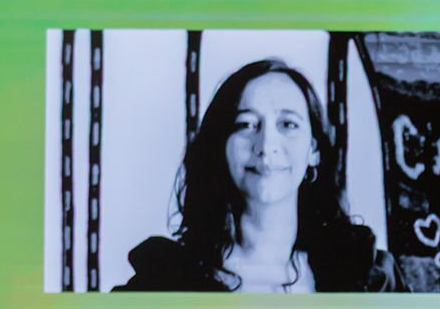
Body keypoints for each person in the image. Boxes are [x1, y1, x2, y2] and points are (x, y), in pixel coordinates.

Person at [117, 58, 394, 292]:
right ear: (221, 147)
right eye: (246, 124)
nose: (266, 145)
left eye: (288, 124)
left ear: (314, 151)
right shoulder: (164, 281)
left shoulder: (370, 278)